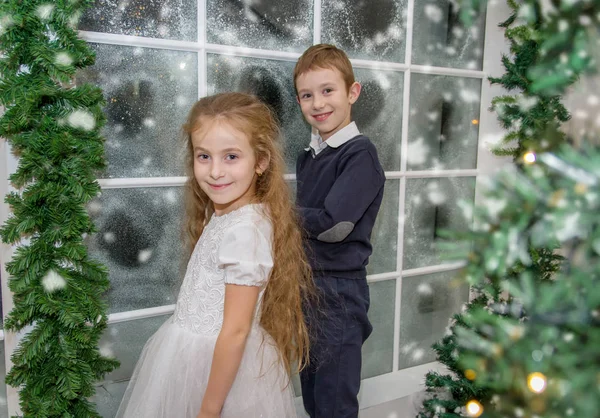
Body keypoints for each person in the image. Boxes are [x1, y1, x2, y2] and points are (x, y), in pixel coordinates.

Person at [116, 92, 313, 418]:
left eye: (231, 157)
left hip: (220, 371)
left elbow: (235, 331)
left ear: (261, 161)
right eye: (204, 156)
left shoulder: (245, 231)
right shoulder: (226, 213)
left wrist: (209, 410)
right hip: (191, 356)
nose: (215, 171)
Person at [293, 44, 385, 418]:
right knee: (314, 398)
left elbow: (334, 225)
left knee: (334, 404)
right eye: (306, 95)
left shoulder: (359, 154)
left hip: (339, 297)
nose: (318, 103)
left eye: (327, 90)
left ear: (352, 92)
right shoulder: (310, 156)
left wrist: (281, 215)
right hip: (306, 290)